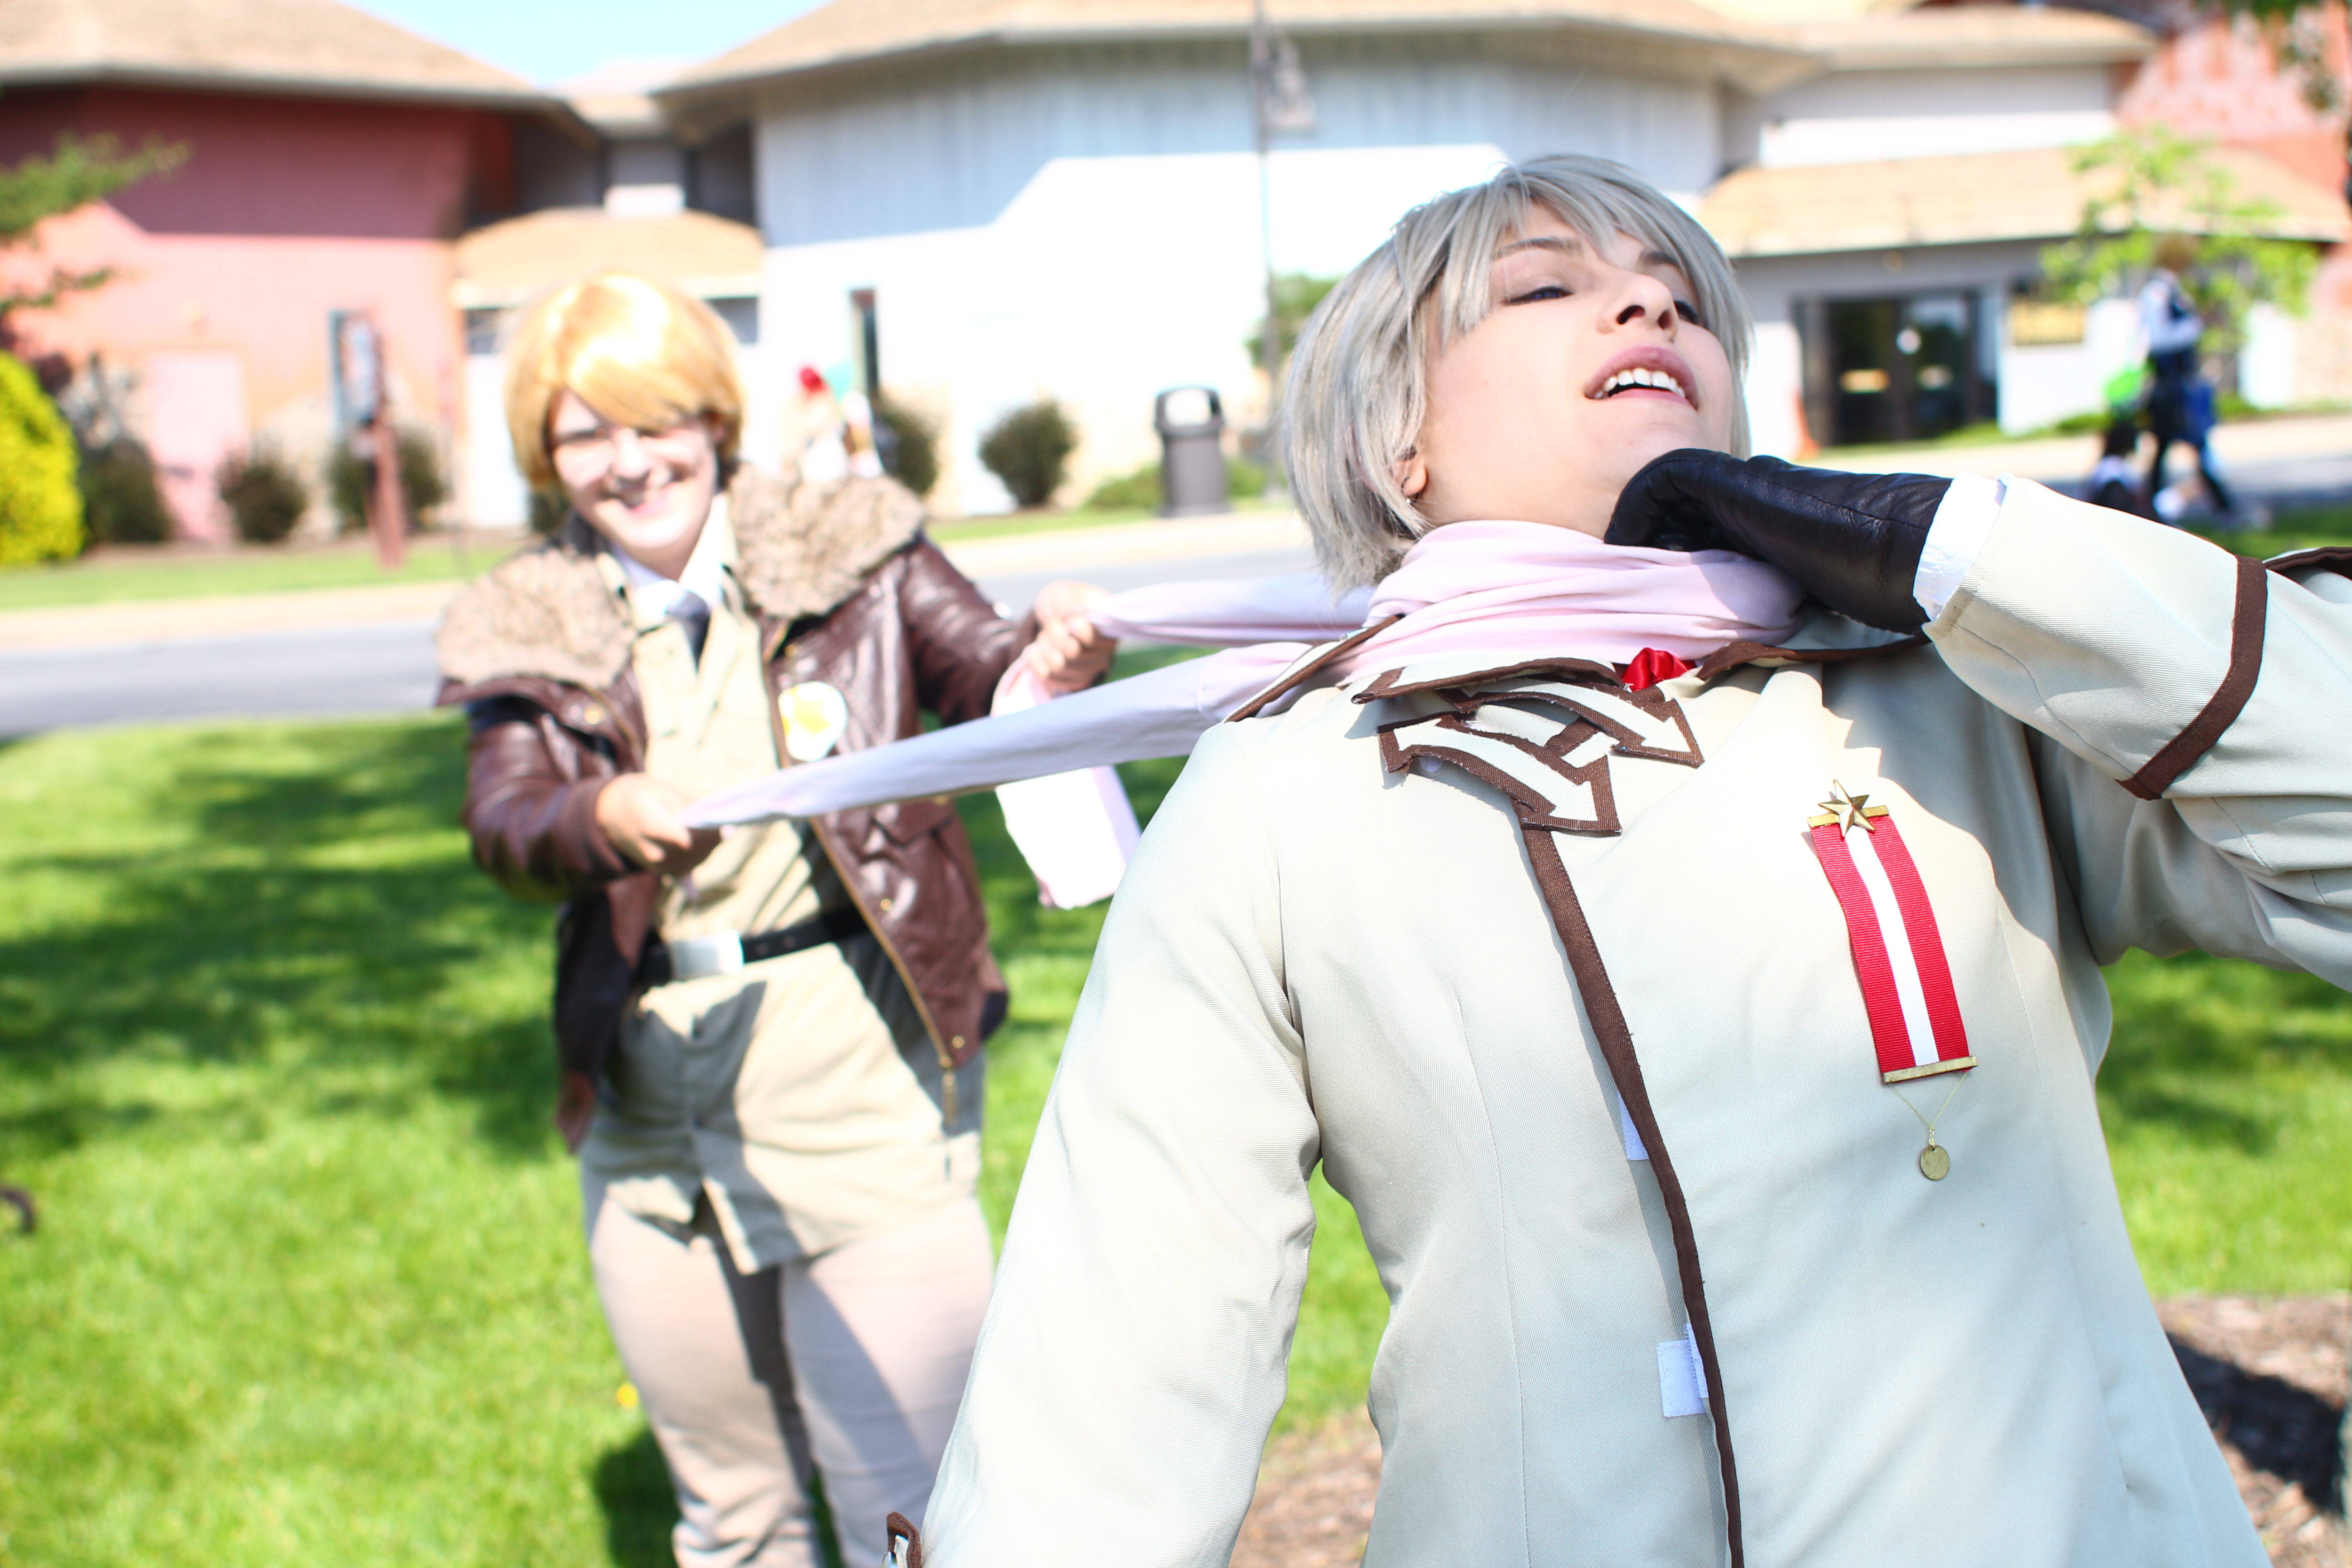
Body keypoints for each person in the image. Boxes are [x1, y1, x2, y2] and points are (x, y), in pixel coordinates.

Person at [897, 157, 2352, 1566]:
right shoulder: (1278, 790)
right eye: (1548, 288)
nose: (1652, 312)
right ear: (1397, 437)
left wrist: (1972, 559)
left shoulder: (1966, 689)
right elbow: (1122, 1356)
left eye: (1685, 297)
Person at [431, 273, 1113, 1568]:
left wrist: (1049, 652)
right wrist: (600, 814)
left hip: (854, 1080)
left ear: (713, 417)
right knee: (733, 1522)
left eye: (655, 422)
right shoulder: (529, 615)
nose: (629, 465)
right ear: (544, 454)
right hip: (645, 1120)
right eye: (586, 435)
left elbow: (981, 670)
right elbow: (505, 819)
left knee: (912, 1519)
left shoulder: (850, 546)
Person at [2140, 233, 2239, 524]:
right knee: (2185, 445)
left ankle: (2155, 510)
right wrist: (2198, 323)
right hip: (2171, 386)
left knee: (2175, 448)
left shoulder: (2176, 291)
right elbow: (2159, 339)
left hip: (2182, 383)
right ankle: (2222, 507)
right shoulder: (2156, 293)